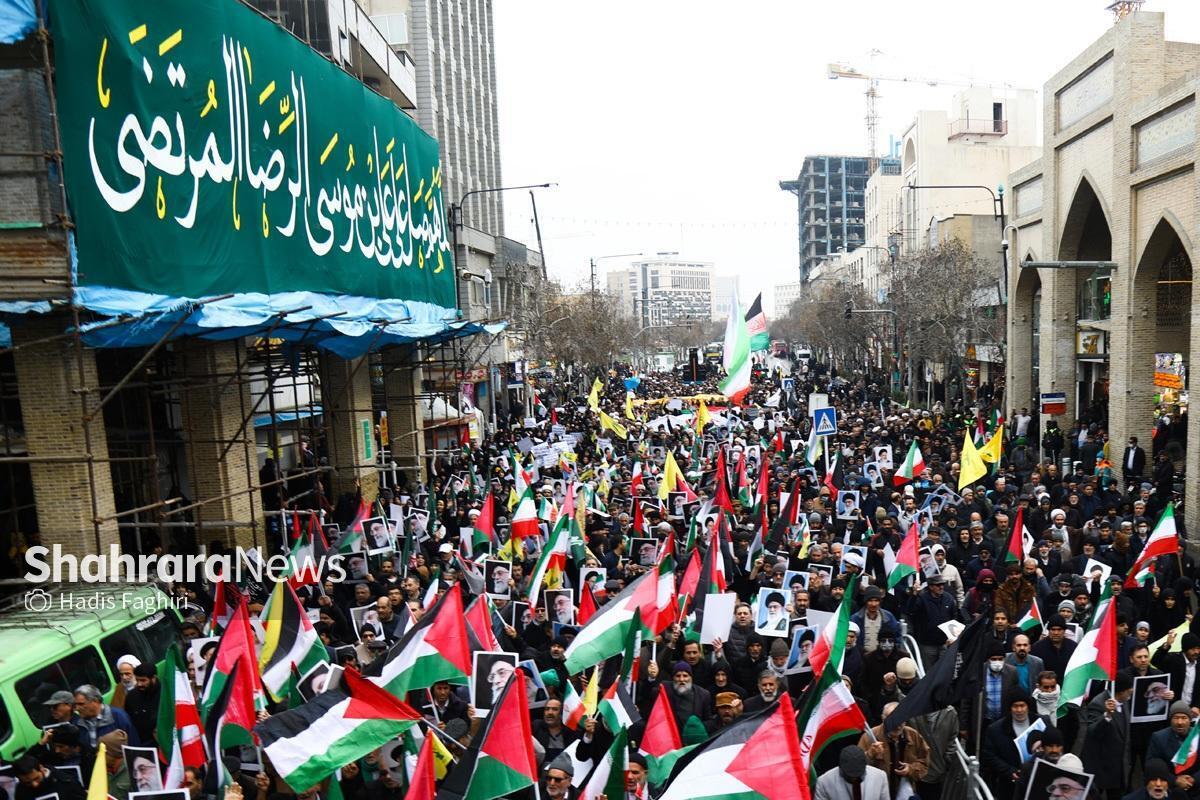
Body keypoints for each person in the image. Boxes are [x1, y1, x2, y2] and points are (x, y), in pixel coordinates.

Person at [73, 685, 139, 748]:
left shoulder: (118, 717)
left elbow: (133, 744)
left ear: (95, 701)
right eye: (76, 704)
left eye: (81, 704)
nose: (77, 708)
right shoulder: (79, 723)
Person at [814, 746, 889, 800]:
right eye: (849, 776)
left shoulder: (880, 777)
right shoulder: (823, 782)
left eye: (858, 775)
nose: (854, 778)